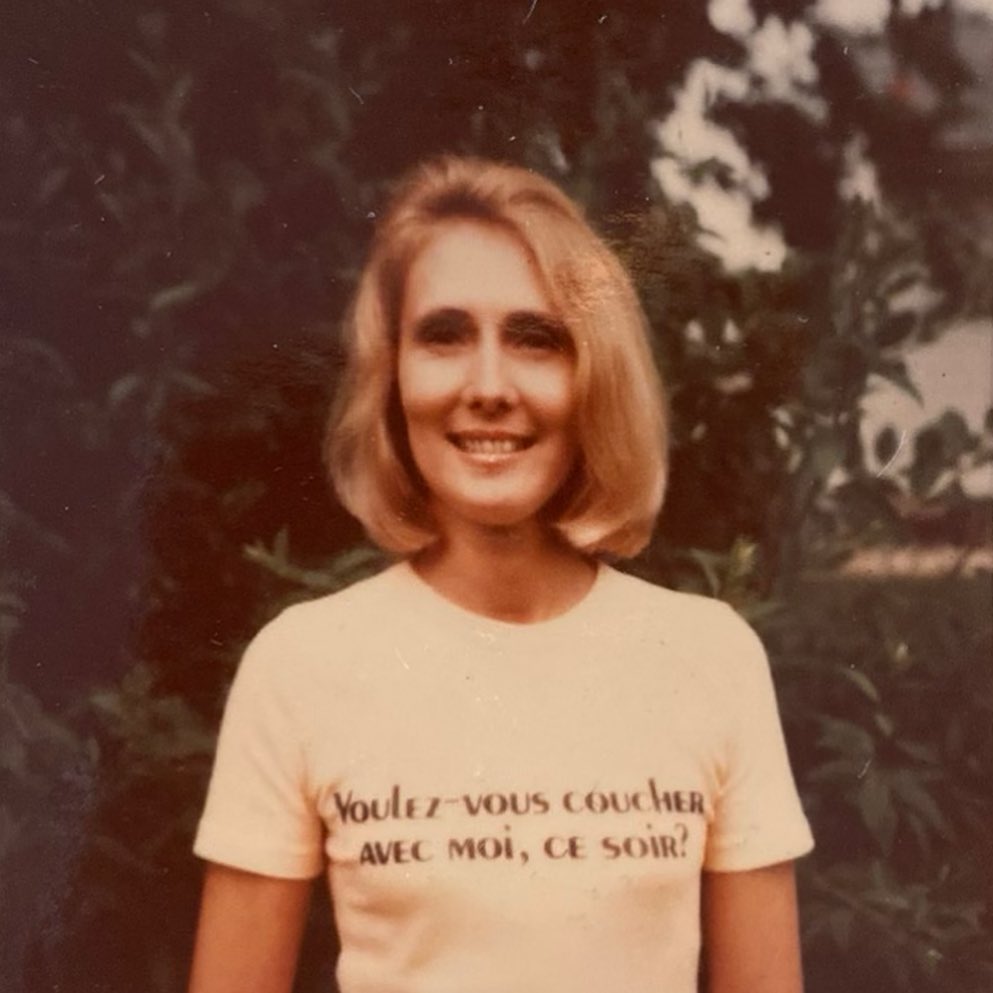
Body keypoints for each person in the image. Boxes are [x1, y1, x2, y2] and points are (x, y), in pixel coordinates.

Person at [188, 156, 814, 993]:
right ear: (391, 375)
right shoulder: (299, 665)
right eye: (444, 336)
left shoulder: (710, 656)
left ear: (593, 376)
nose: (488, 387)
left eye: (535, 338)